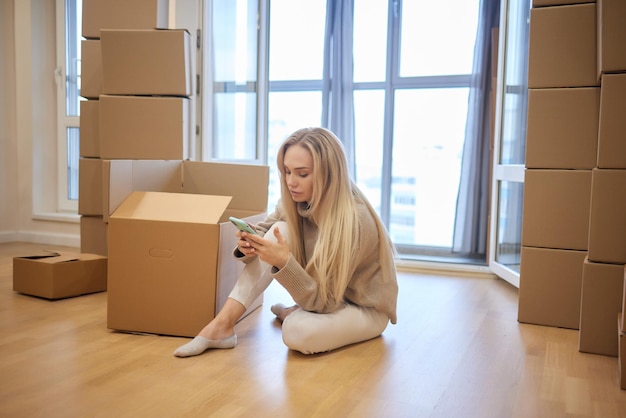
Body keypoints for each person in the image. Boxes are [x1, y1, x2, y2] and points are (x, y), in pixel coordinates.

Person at [174, 127, 398, 357]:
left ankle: (294, 313)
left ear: (330, 174)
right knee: (278, 229)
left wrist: (284, 263)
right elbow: (266, 228)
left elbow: (327, 302)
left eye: (302, 174)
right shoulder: (297, 200)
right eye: (287, 171)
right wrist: (250, 242)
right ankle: (221, 325)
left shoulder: (355, 220)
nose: (291, 182)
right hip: (321, 297)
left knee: (297, 333)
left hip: (360, 308)